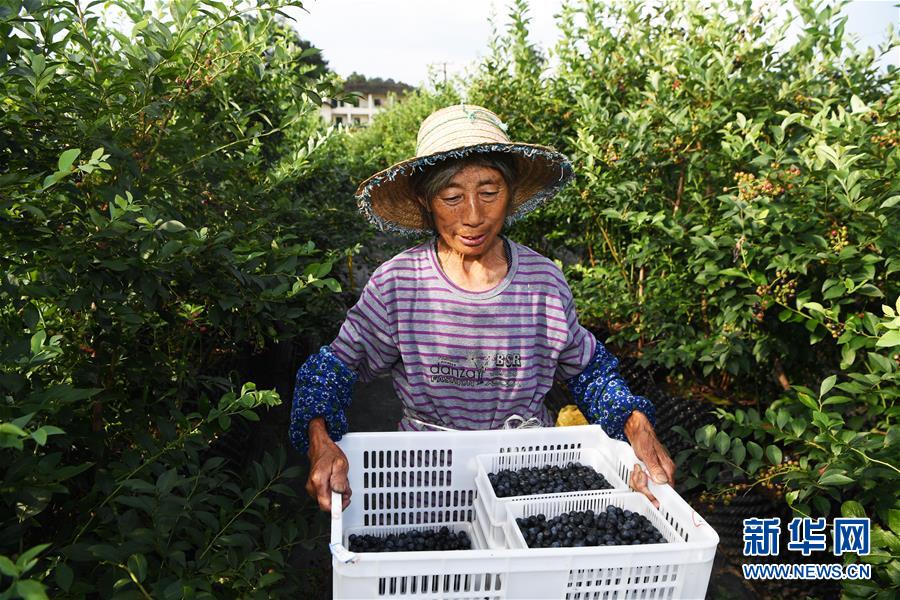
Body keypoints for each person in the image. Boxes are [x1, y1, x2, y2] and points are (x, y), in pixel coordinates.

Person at [290, 104, 675, 513]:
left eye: (489, 193)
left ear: (510, 195)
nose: (473, 216)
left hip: (529, 478)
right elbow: (333, 367)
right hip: (426, 484)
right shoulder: (399, 285)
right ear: (426, 200)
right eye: (452, 196)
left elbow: (589, 370)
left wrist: (635, 423)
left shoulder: (543, 284)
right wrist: (320, 438)